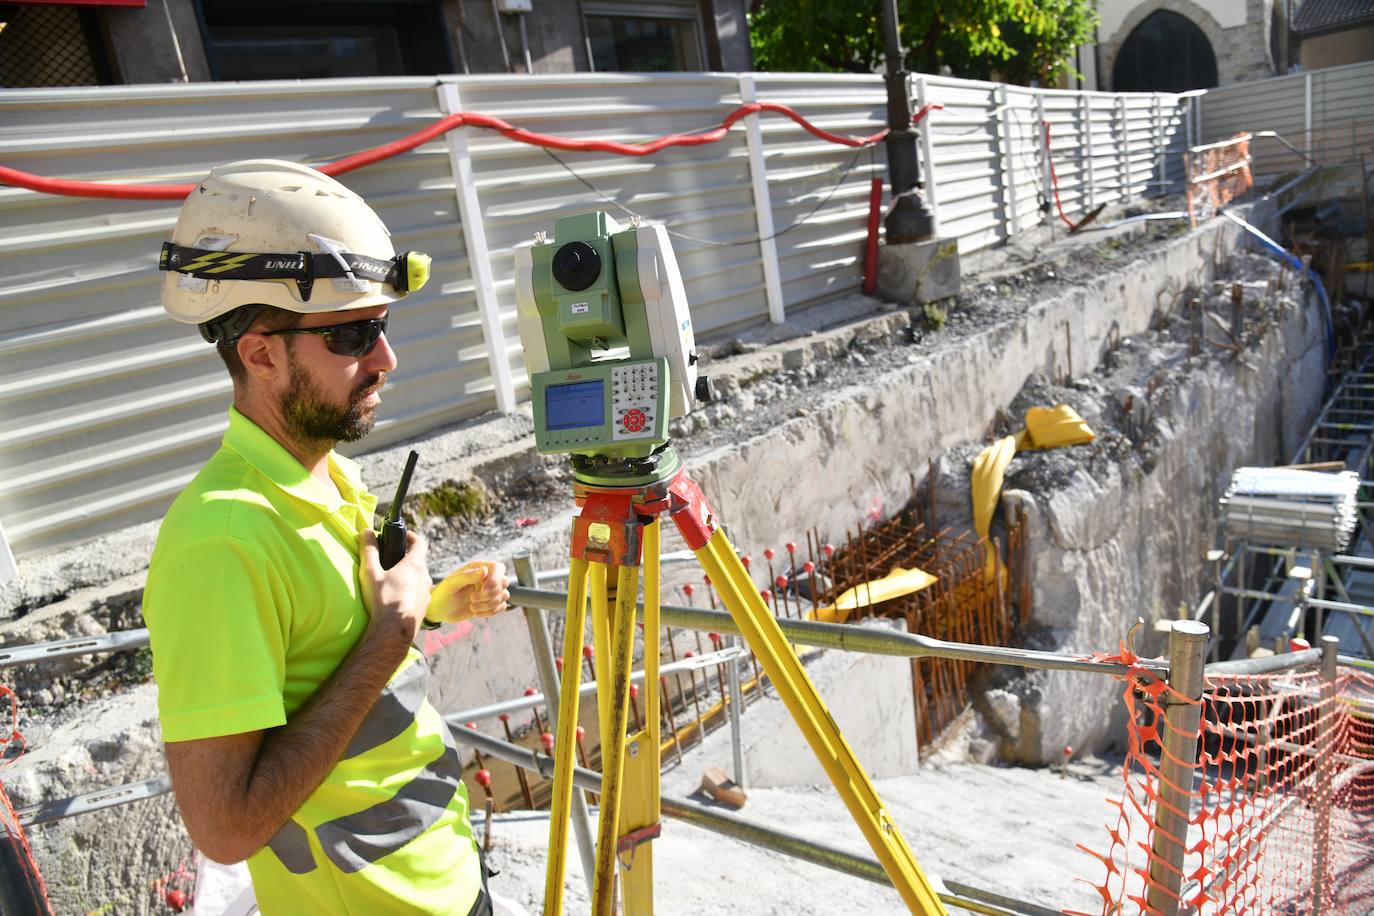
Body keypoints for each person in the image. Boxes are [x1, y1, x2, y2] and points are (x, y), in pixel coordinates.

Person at [141, 159, 510, 916]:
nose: (386, 359)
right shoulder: (221, 544)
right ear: (262, 353)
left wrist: (435, 603)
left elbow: (323, 643)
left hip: (443, 879)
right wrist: (395, 629)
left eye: (382, 326)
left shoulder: (324, 475)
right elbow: (225, 827)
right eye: (351, 335)